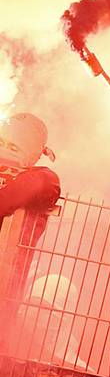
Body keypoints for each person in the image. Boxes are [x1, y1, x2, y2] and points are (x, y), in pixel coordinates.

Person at [0, 113, 61, 299]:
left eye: (13, 147)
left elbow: (44, 184)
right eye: (0, 141)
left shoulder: (42, 178)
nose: (3, 149)